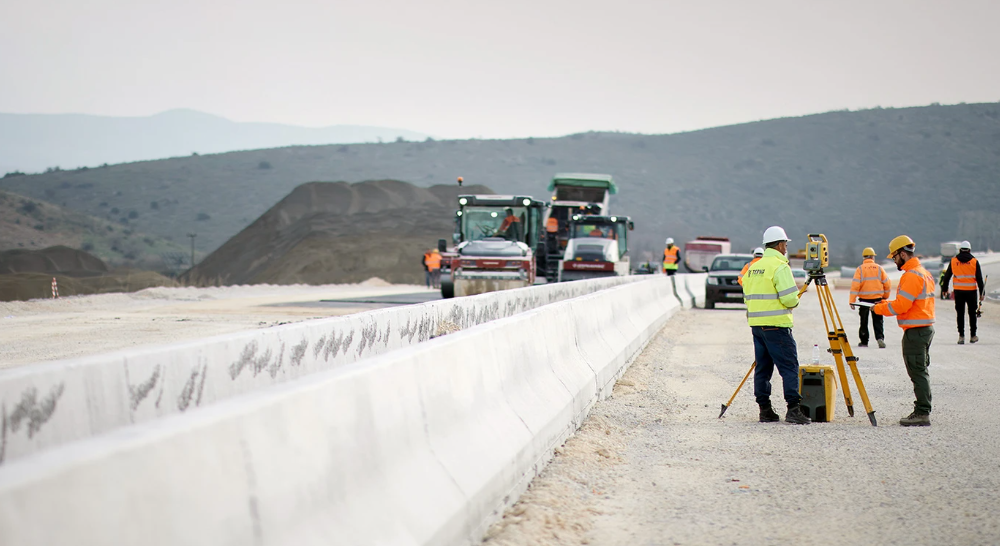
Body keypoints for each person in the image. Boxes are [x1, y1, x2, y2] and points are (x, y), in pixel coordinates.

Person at [742, 226, 810, 424]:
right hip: (777, 326)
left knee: (763, 369)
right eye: (786, 244)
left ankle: (765, 410)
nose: (786, 247)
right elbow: (790, 300)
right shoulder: (780, 266)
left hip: (756, 326)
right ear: (780, 244)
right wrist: (797, 298)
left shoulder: (754, 267)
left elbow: (747, 296)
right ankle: (793, 409)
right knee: (789, 367)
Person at [873, 235, 936, 427]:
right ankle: (922, 409)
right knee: (921, 371)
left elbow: (901, 306)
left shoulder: (911, 275)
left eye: (894, 257)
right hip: (924, 328)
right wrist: (885, 303)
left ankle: (922, 412)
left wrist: (879, 309)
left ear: (902, 253)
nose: (894, 260)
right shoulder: (923, 272)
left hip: (916, 331)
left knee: (917, 372)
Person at [940, 240, 985, 344]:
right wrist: (982, 293)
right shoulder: (974, 261)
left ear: (960, 249)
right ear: (969, 250)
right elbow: (979, 279)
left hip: (959, 292)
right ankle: (973, 335)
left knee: (960, 314)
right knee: (972, 314)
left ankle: (961, 336)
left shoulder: (953, 261)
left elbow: (947, 277)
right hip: (971, 292)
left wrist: (944, 289)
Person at [849, 247, 890, 348]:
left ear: (864, 258)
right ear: (872, 257)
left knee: (864, 321)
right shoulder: (879, 268)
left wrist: (852, 301)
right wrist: (885, 297)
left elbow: (855, 286)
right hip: (877, 300)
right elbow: (887, 284)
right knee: (878, 321)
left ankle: (864, 341)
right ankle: (880, 338)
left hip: (863, 301)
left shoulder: (860, 269)